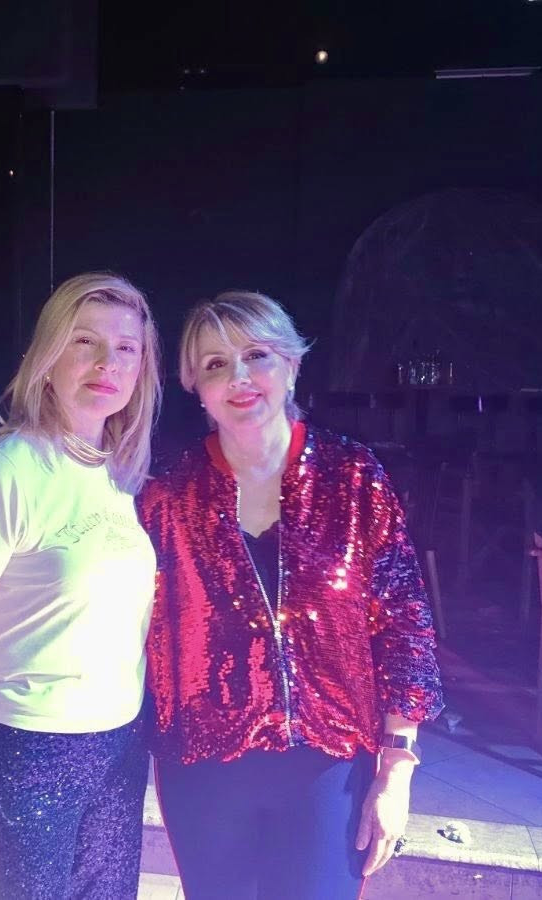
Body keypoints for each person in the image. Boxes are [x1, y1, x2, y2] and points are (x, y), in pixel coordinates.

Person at [139, 292, 444, 899]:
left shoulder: (352, 477)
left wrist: (397, 769)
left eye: (257, 355)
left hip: (330, 768)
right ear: (196, 387)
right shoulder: (166, 494)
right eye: (216, 364)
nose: (239, 377)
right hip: (203, 769)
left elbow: (405, 624)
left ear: (293, 364)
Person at [0, 272, 161, 900]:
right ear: (48, 358)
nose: (108, 363)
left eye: (126, 348)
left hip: (118, 747)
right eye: (85, 341)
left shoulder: (120, 476)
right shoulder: (3, 471)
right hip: (25, 751)